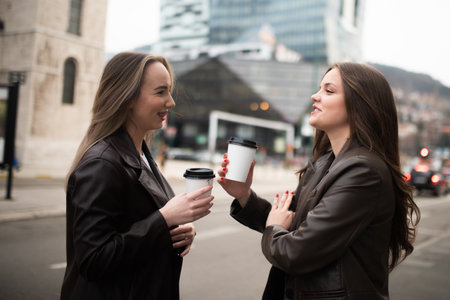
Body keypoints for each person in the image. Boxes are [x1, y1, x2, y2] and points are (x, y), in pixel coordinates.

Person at [218, 62, 420, 299]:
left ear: (360, 105)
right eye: (319, 89)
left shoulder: (364, 172)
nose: (315, 96)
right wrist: (244, 194)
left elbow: (295, 251)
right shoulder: (326, 163)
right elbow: (292, 226)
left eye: (329, 90)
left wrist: (274, 227)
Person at [60, 52, 214, 300]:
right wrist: (164, 219)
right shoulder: (101, 163)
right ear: (128, 97)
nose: (171, 102)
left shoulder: (140, 153)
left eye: (170, 92)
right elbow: (93, 260)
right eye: (161, 92)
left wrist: (177, 230)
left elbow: (138, 226)